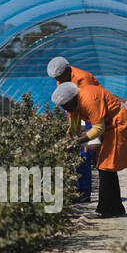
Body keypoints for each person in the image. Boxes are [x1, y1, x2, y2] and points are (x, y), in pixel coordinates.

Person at [52, 81, 127, 218]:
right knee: (106, 167)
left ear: (72, 99)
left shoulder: (88, 99)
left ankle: (106, 209)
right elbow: (74, 123)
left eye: (65, 106)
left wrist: (79, 141)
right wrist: (70, 134)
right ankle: (115, 208)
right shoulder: (75, 103)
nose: (65, 109)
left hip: (117, 122)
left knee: (106, 167)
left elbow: (98, 128)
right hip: (109, 124)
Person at [47, 57, 100, 203]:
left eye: (59, 77)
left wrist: (85, 133)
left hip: (93, 114)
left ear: (67, 69)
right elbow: (70, 105)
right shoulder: (62, 78)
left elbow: (90, 104)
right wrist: (71, 127)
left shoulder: (83, 80)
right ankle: (80, 190)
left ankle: (85, 192)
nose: (58, 80)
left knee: (88, 152)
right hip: (80, 113)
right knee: (79, 152)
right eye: (56, 78)